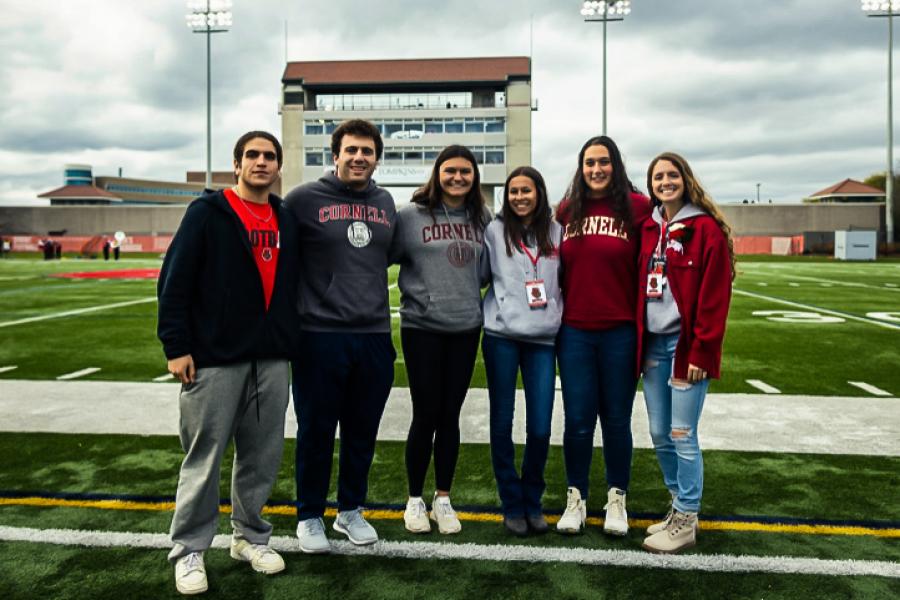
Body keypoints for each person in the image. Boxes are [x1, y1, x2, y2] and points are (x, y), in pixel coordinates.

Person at [157, 131, 299, 594]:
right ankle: (190, 550)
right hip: (214, 358)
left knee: (261, 456)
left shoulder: (285, 217)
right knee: (204, 456)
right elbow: (174, 280)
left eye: (269, 156)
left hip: (272, 356)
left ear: (278, 167)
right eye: (252, 155)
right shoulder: (207, 213)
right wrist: (176, 346)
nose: (262, 162)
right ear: (236, 164)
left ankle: (249, 537)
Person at [284, 119, 397, 553]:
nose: (359, 157)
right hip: (319, 334)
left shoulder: (386, 202)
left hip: (372, 335)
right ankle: (310, 515)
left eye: (367, 151)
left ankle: (350, 510)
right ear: (336, 155)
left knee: (362, 430)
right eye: (351, 150)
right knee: (316, 429)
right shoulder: (303, 199)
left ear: (376, 158)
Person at [637, 152, 734, 554]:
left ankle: (687, 518)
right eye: (658, 177)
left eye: (671, 175)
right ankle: (678, 506)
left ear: (685, 179)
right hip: (654, 344)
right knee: (660, 433)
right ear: (651, 185)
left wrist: (702, 349)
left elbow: (715, 295)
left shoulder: (704, 229)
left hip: (684, 346)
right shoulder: (648, 227)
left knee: (682, 433)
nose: (665, 182)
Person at [555, 135, 651, 536]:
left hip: (620, 331)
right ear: (581, 168)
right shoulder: (566, 210)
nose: (596, 169)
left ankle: (617, 498)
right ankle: (575, 498)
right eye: (589, 163)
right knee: (577, 420)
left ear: (616, 165)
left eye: (604, 162)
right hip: (574, 330)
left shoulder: (638, 207)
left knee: (615, 419)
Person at [390, 145, 489, 535]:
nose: (458, 177)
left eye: (465, 171)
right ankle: (415, 498)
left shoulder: (484, 219)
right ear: (437, 173)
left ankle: (443, 498)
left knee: (451, 416)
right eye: (450, 171)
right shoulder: (410, 217)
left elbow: (485, 274)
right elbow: (382, 257)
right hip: (423, 329)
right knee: (425, 413)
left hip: (465, 328)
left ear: (474, 176)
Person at [481, 166, 562, 536]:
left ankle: (533, 497)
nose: (519, 197)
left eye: (526, 191)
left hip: (543, 338)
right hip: (501, 336)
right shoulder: (495, 232)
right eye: (513, 191)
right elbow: (481, 275)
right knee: (502, 422)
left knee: (541, 427)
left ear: (539, 193)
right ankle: (511, 501)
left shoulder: (557, 231)